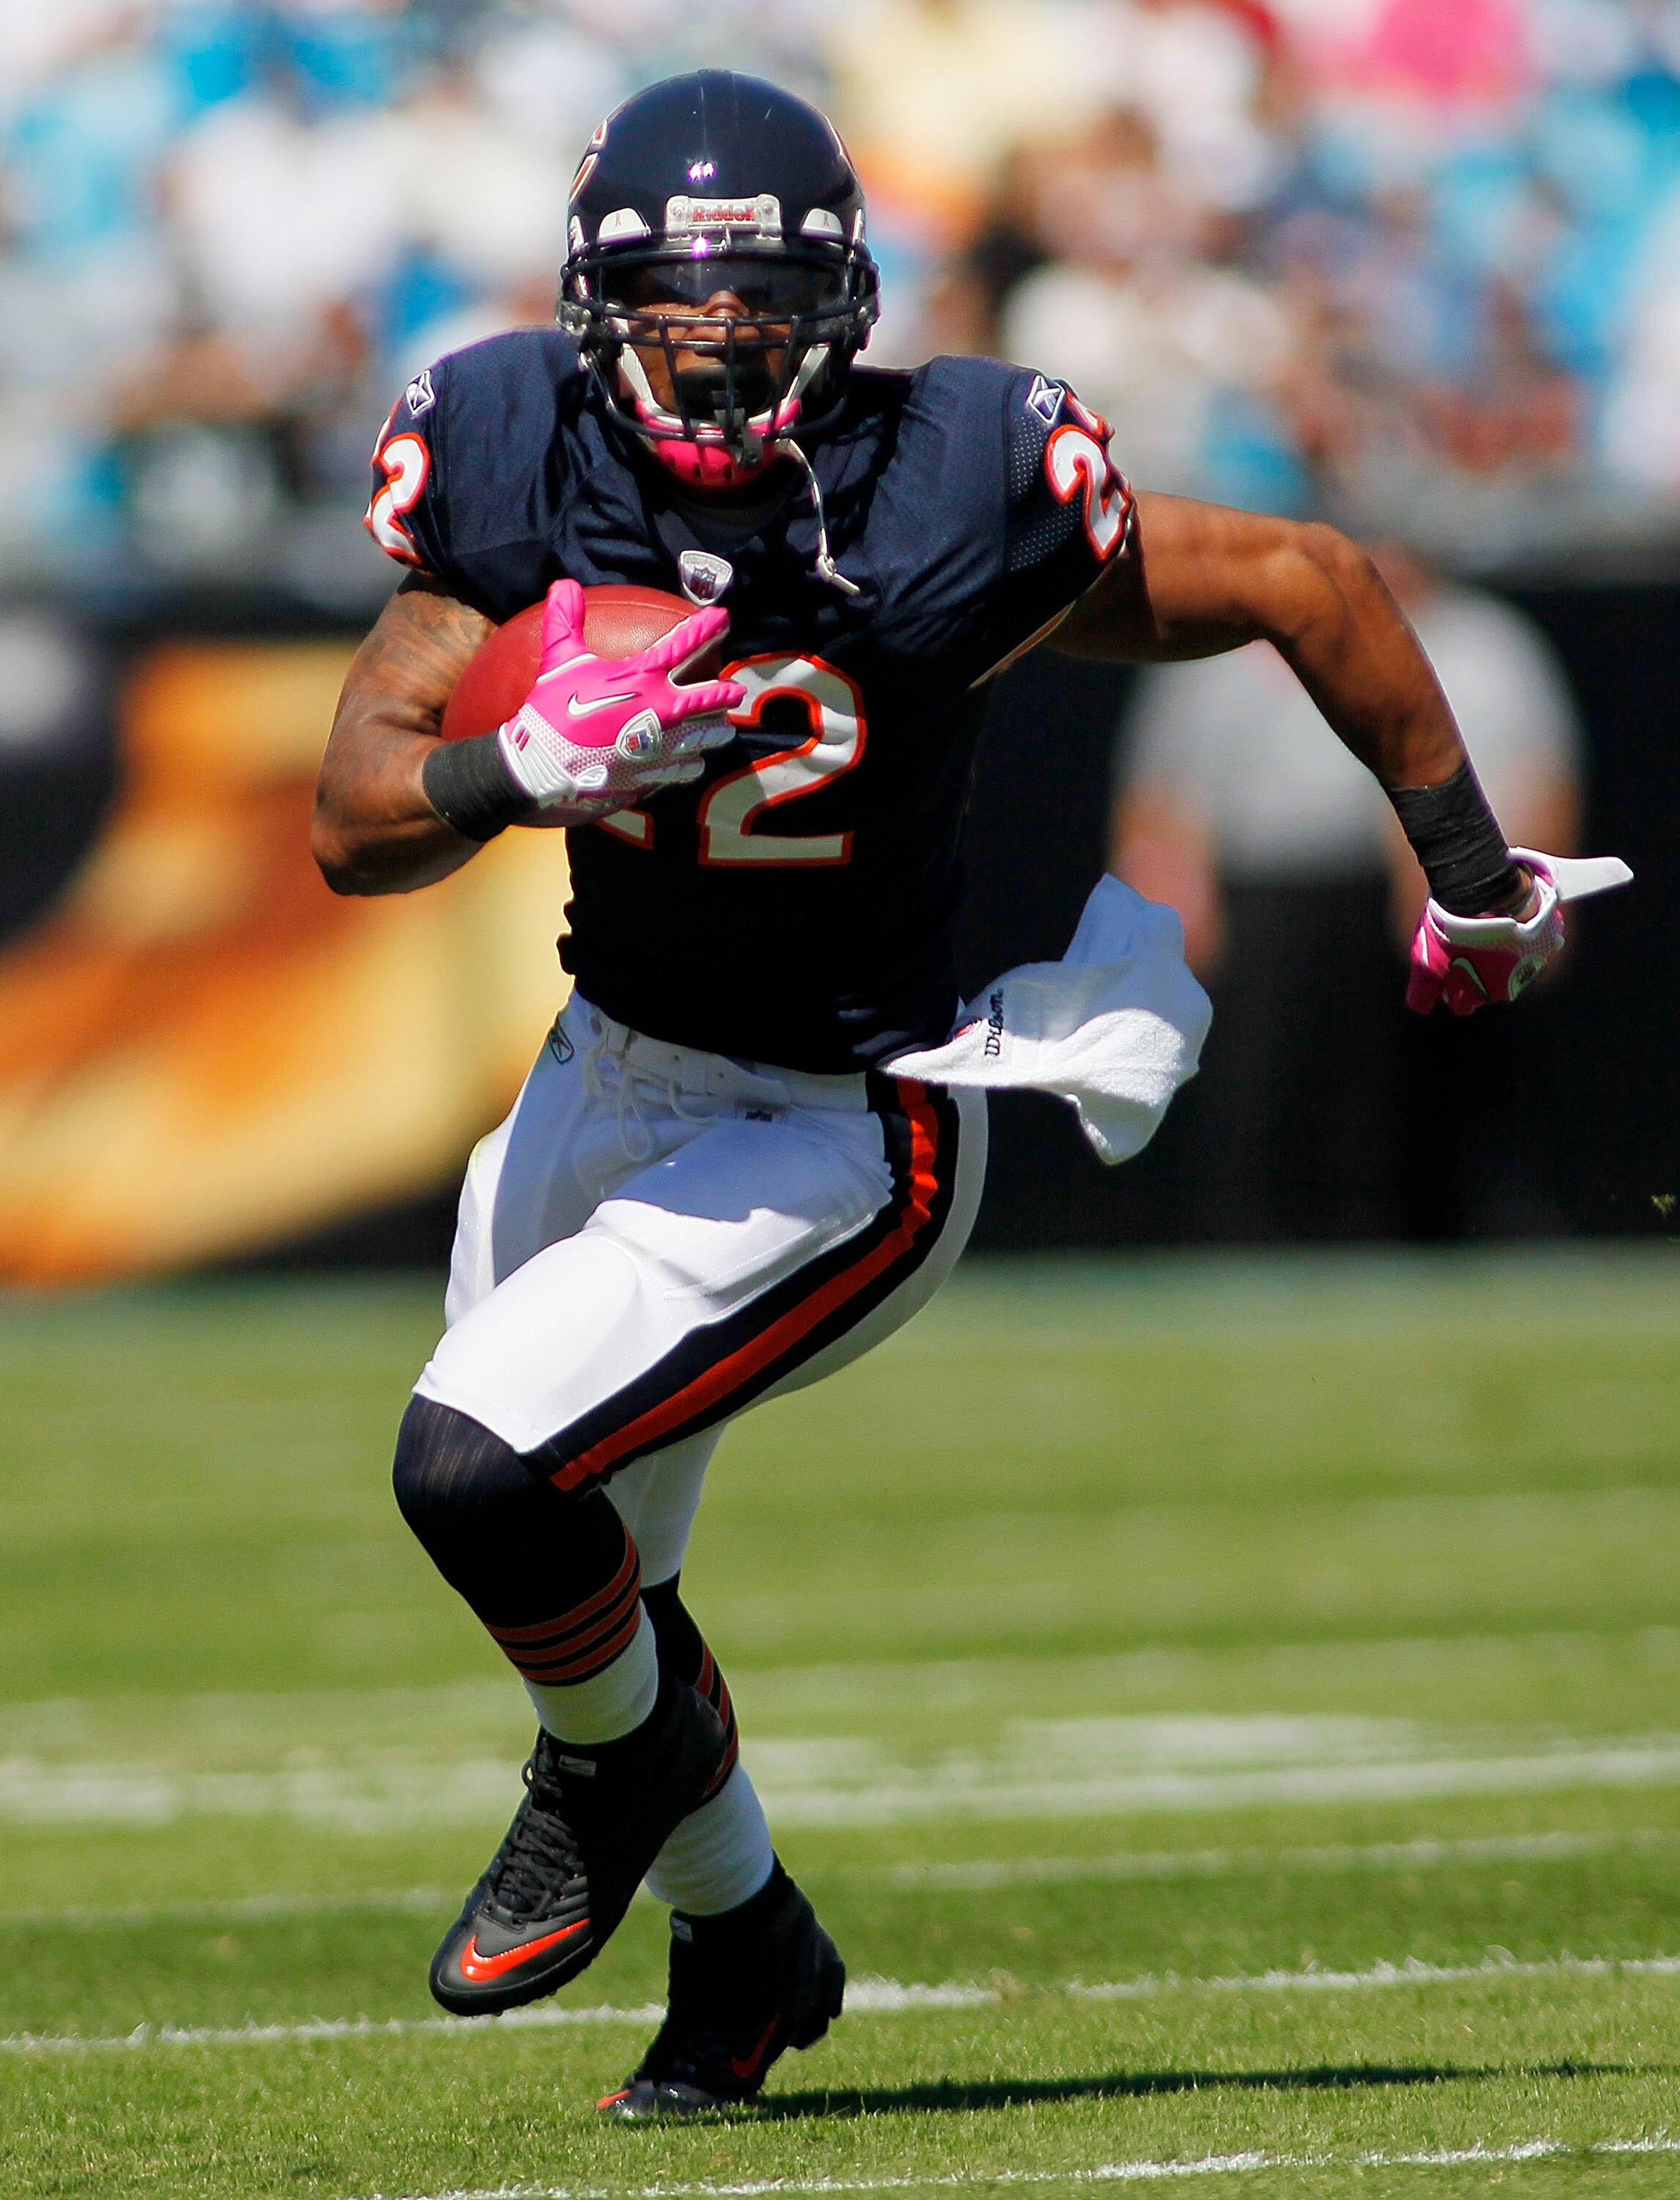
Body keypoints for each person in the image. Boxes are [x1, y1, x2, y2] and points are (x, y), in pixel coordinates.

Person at [311, 70, 1572, 2119]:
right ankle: (748, 1948)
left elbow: (1310, 580)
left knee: (475, 1477)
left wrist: (1471, 870)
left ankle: (603, 1781)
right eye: (678, 309)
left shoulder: (951, 483)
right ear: (591, 306)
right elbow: (352, 817)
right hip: (603, 1063)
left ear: (843, 306)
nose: (721, 351)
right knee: (590, 1572)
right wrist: (506, 768)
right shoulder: (511, 444)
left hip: (846, 1118)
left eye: (763, 307)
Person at [1110, 543, 1582, 1239]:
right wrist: (1164, 917)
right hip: (1264, 914)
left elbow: (1545, 802)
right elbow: (1157, 807)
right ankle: (1245, 1228)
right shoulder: (1225, 652)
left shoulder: (1487, 647)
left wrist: (1499, 903)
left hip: (1420, 906)